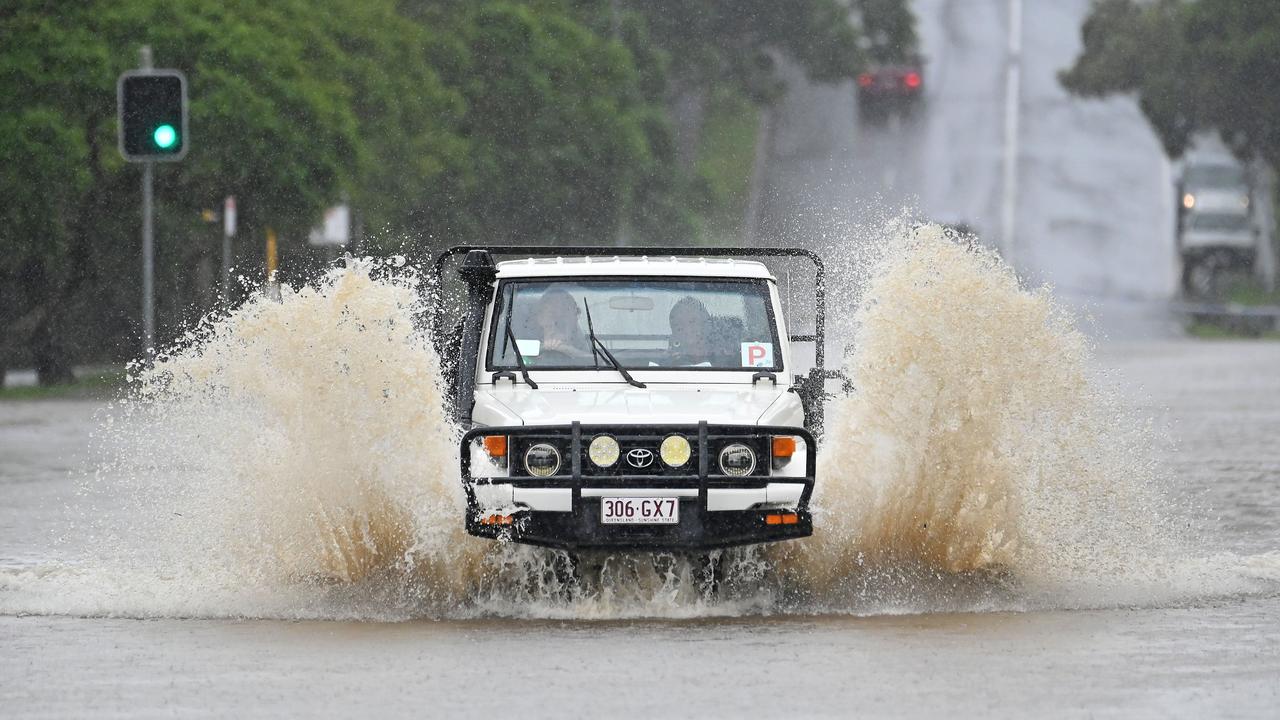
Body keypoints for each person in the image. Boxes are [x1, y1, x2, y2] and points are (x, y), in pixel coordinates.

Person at [532, 289, 591, 359]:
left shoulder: (585, 344)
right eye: (552, 314)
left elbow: (597, 361)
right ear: (540, 318)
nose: (557, 321)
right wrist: (542, 349)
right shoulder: (525, 350)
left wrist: (571, 351)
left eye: (564, 314)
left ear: (575, 319)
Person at [668, 296, 713, 365]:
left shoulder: (725, 362)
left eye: (692, 322)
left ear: (705, 326)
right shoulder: (663, 368)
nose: (687, 330)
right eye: (679, 327)